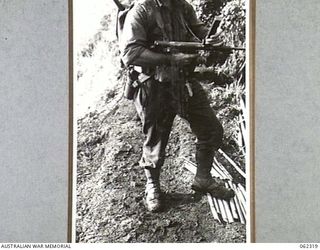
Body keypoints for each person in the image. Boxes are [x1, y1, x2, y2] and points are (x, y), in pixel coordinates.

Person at [120, 0, 235, 212]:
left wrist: (210, 38)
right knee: (155, 139)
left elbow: (198, 31)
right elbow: (130, 53)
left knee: (210, 129)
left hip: (182, 81)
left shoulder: (183, 7)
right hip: (153, 84)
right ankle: (153, 186)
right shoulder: (142, 10)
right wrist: (170, 59)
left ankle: (203, 178)